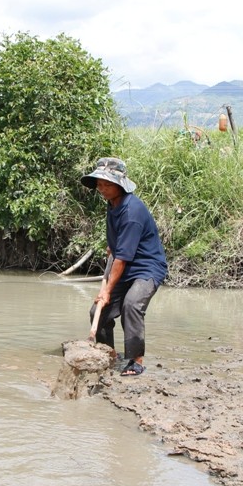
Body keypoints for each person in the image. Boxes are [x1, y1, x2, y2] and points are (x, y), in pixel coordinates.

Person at [80, 157, 168, 376]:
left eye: (107, 184)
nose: (102, 189)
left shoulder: (132, 212)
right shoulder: (113, 204)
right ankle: (108, 353)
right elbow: (118, 249)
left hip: (147, 268)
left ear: (120, 185)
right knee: (98, 312)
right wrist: (113, 247)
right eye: (99, 184)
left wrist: (107, 290)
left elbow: (122, 259)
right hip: (125, 265)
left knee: (131, 305)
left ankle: (136, 361)